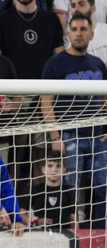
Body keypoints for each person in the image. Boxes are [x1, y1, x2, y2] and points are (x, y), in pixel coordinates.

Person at [42, 13, 107, 229]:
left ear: (91, 33)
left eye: (83, 29)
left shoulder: (98, 64)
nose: (79, 33)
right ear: (68, 33)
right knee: (71, 190)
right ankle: (71, 236)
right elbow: (46, 101)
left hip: (99, 137)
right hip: (70, 137)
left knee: (102, 188)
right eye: (75, 29)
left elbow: (105, 99)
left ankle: (100, 234)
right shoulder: (55, 63)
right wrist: (55, 136)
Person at [25, 154, 78, 232]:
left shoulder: (70, 191)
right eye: (50, 166)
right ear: (43, 170)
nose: (54, 169)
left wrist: (76, 239)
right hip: (39, 235)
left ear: (64, 170)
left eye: (58, 166)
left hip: (63, 236)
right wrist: (36, 221)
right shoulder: (34, 190)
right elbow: (21, 214)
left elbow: (74, 218)